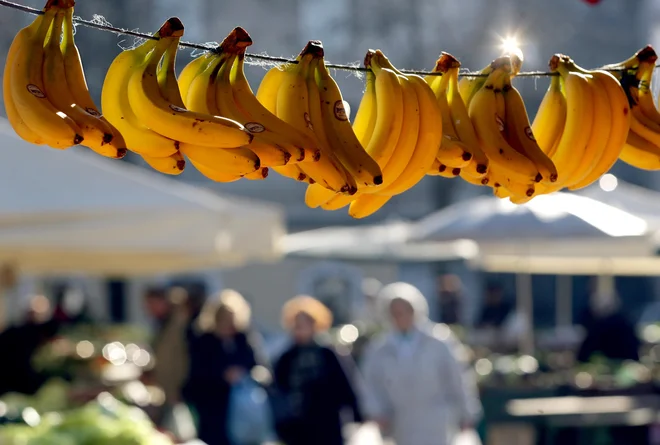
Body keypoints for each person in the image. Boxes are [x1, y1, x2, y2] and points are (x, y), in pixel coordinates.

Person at [361, 282, 482, 445]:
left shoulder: (439, 341)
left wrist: (467, 412)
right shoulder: (380, 347)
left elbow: (458, 377)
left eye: (405, 311)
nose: (400, 317)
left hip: (437, 420)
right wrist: (377, 412)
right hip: (400, 422)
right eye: (395, 313)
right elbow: (371, 383)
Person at [273, 295, 363, 445]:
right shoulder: (286, 358)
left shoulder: (328, 354)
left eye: (305, 324)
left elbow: (345, 385)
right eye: (297, 324)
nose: (300, 329)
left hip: (327, 423)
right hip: (296, 427)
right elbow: (278, 390)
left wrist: (356, 416)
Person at [183, 289, 265, 445]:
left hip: (242, 408)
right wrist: (221, 376)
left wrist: (245, 375)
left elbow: (259, 367)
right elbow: (196, 375)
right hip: (212, 408)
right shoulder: (204, 342)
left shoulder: (244, 339)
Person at [142, 286, 191, 428]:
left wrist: (178, 389)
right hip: (166, 387)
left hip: (176, 388)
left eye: (151, 304)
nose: (148, 308)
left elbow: (180, 359)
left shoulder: (179, 323)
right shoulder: (162, 323)